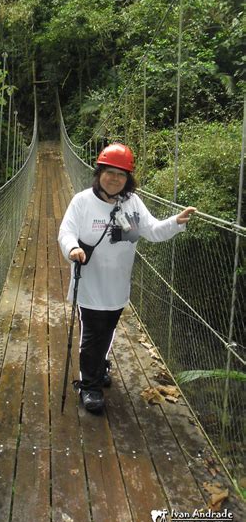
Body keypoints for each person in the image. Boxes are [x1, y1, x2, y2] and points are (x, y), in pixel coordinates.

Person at [58, 143, 196, 413]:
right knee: (92, 334)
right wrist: (72, 248)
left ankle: (99, 366)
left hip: (118, 287)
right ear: (99, 173)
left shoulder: (132, 202)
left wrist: (176, 222)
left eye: (121, 174)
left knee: (107, 331)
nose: (115, 178)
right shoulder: (83, 201)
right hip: (90, 284)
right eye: (110, 172)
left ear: (128, 179)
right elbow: (66, 231)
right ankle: (90, 386)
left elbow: (153, 230)